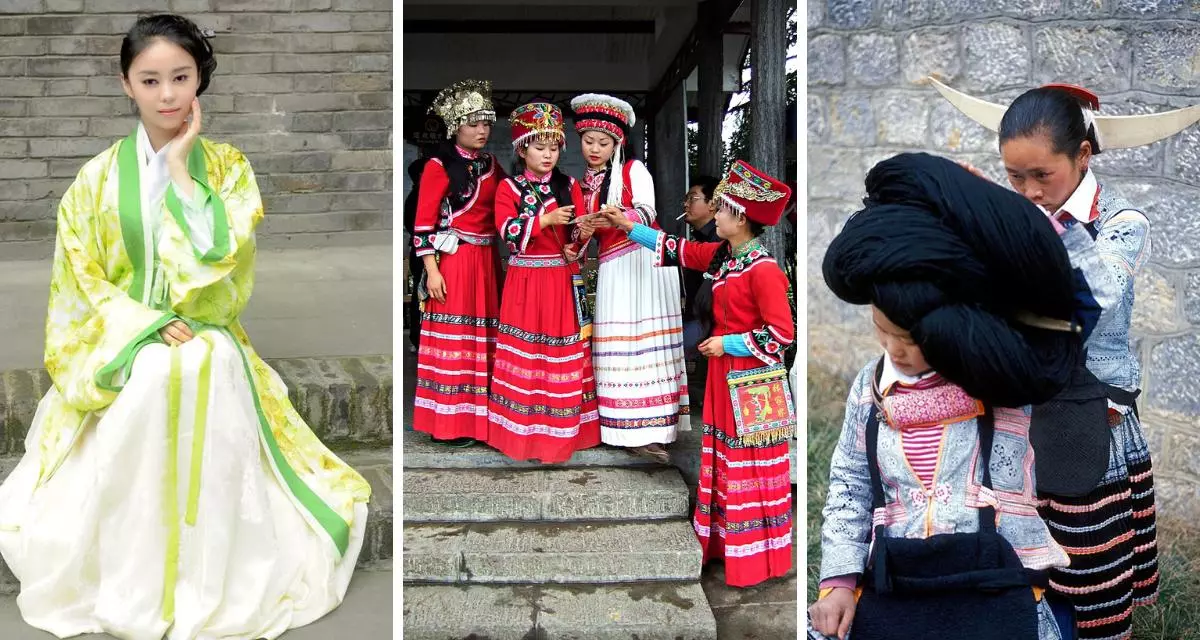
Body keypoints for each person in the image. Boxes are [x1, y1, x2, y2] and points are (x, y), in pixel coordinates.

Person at [0, 15, 370, 639]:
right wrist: (144, 324)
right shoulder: (94, 179)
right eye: (151, 80)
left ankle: (204, 567)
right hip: (121, 337)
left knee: (198, 363)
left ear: (200, 80)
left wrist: (177, 171)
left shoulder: (225, 168)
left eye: (180, 77)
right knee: (149, 375)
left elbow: (223, 265)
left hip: (204, 328)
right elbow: (80, 276)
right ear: (127, 85)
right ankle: (132, 569)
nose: (167, 95)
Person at [931, 78, 1200, 640]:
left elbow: (1096, 294)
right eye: (1014, 177)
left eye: (1041, 175)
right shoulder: (1014, 215)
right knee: (1018, 546)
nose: (1028, 190)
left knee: (1085, 552)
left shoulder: (1122, 223)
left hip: (1089, 413)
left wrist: (1027, 227)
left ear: (1081, 155)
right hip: (1019, 410)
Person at [810, 152, 1082, 640]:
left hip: (995, 583)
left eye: (912, 339)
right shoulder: (868, 392)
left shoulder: (997, 384)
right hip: (896, 579)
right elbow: (850, 486)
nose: (897, 349)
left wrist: (977, 204)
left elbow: (1053, 290)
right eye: (883, 331)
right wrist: (839, 581)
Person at [598, 160, 794, 588]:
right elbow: (677, 249)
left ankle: (758, 560)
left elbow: (781, 334)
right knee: (726, 463)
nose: (716, 215)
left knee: (752, 466)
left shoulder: (762, 269)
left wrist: (729, 343)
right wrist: (627, 226)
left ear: (740, 218)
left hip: (754, 384)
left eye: (721, 209)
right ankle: (727, 548)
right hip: (727, 380)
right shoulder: (726, 258)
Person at [568, 93, 689, 463]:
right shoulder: (583, 183)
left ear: (616, 143)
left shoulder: (633, 170)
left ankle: (654, 430)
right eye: (588, 141)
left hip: (643, 260)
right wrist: (582, 235)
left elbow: (646, 210)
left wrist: (617, 217)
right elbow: (583, 231)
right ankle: (622, 427)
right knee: (616, 342)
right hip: (613, 265)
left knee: (644, 343)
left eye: (602, 142)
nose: (594, 148)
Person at [487, 102, 600, 463]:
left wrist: (576, 242)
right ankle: (521, 436)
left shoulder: (569, 184)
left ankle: (564, 436)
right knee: (528, 355)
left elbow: (581, 229)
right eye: (540, 148)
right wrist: (546, 219)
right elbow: (507, 231)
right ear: (522, 149)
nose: (548, 155)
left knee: (561, 352)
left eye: (553, 148)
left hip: (560, 278)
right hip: (525, 279)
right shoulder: (509, 188)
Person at [410, 79, 505, 447]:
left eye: (486, 123)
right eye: (472, 123)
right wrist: (431, 270)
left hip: (487, 261)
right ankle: (449, 425)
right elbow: (423, 226)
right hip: (456, 261)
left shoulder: (491, 165)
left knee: (484, 338)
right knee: (456, 341)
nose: (481, 130)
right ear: (454, 126)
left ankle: (483, 419)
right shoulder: (437, 166)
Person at [680, 175, 719, 361]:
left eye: (692, 198)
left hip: (707, 327)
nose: (686, 204)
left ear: (712, 204)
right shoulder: (700, 239)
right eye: (686, 199)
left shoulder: (719, 241)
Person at [403, 156, 426, 354]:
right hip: (422, 251)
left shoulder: (417, 195)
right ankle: (418, 338)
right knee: (421, 293)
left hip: (420, 250)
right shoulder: (417, 197)